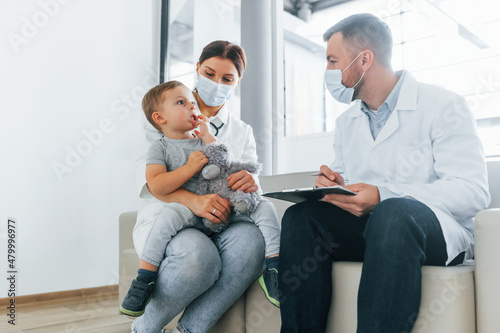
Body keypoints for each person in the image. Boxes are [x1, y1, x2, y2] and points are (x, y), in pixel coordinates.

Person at [279, 13, 490, 333]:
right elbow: (351, 179)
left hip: (433, 232)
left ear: (364, 59)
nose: (328, 72)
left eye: (333, 61)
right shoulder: (346, 123)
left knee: (393, 212)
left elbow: (472, 192)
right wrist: (336, 186)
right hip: (373, 230)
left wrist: (383, 195)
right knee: (301, 217)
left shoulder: (444, 105)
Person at [131, 41, 280, 333]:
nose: (216, 83)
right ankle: (145, 327)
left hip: (223, 221)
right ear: (197, 69)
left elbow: (250, 177)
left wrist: (251, 181)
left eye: (227, 79)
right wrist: (193, 201)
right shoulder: (163, 109)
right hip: (171, 219)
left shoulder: (242, 131)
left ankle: (190, 330)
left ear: (237, 82)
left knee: (252, 242)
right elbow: (148, 179)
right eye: (209, 73)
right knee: (200, 256)